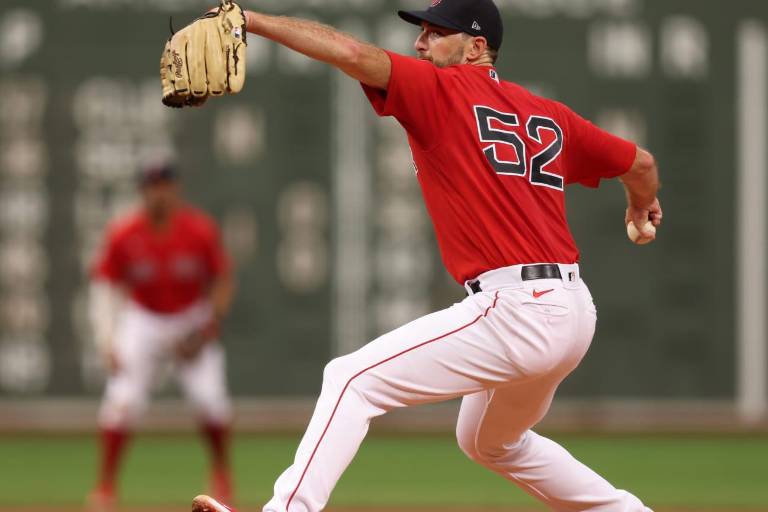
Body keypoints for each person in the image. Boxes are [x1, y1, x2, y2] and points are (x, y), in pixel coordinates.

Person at [194, 0, 662, 510]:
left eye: (436, 33)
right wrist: (641, 207)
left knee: (350, 379)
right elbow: (641, 163)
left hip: (518, 309)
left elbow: (350, 52)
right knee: (489, 441)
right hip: (572, 312)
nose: (420, 43)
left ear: (476, 47)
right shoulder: (549, 114)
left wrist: (253, 21)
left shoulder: (441, 89)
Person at [88, 163, 236, 509]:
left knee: (211, 401)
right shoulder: (124, 233)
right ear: (144, 192)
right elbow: (105, 286)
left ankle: (222, 475)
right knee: (121, 403)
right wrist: (107, 339)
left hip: (190, 316)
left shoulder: (199, 230)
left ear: (176, 189)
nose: (161, 192)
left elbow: (223, 281)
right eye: (154, 185)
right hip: (144, 320)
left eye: (166, 184)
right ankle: (106, 487)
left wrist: (207, 326)